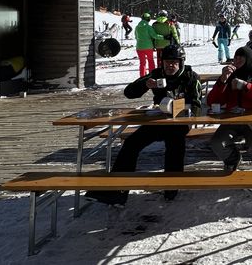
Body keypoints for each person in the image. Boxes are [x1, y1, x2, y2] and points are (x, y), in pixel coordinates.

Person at [85, 45, 202, 205]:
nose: (170, 65)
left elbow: (196, 104)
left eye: (174, 62)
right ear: (162, 62)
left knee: (175, 145)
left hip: (180, 122)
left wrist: (186, 115)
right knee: (131, 143)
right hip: (157, 120)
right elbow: (129, 93)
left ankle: (171, 189)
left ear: (181, 63)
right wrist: (145, 84)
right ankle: (117, 190)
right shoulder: (157, 74)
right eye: (167, 62)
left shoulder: (190, 77)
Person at [208, 46, 252, 171]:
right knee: (217, 143)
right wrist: (222, 81)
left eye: (240, 59)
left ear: (248, 59)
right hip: (232, 118)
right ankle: (232, 159)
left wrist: (246, 87)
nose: (236, 61)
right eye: (235, 58)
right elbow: (213, 102)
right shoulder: (230, 74)